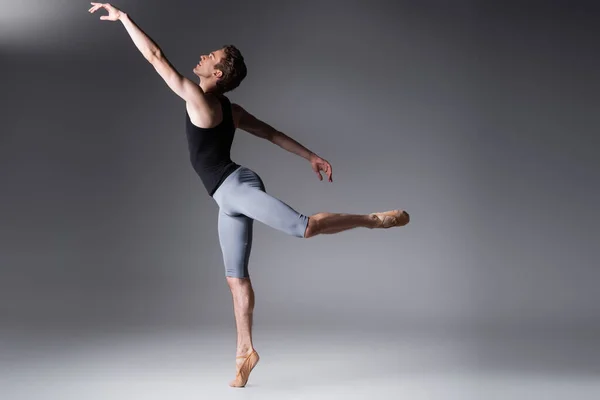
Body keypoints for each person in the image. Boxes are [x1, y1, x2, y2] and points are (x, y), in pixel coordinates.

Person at [89, 2, 410, 388]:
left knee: (303, 228)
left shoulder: (201, 102)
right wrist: (310, 155)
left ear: (218, 73)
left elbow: (156, 57)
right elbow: (270, 132)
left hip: (236, 187)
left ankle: (372, 220)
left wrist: (124, 19)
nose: (204, 56)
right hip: (227, 197)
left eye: (212, 57)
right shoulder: (228, 107)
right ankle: (245, 352)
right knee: (235, 278)